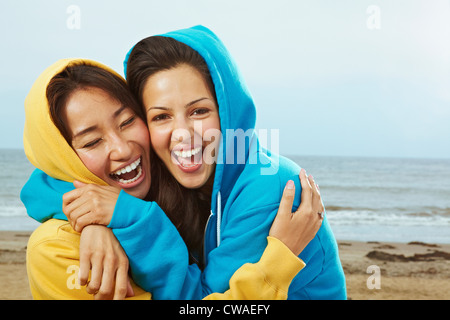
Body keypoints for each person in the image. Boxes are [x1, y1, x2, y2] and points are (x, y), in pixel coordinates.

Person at [23, 26, 346, 299]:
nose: (183, 134)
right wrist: (90, 219)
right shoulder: (170, 169)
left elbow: (201, 300)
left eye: (199, 111)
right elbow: (44, 184)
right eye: (161, 116)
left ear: (227, 110)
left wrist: (128, 214)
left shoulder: (270, 187)